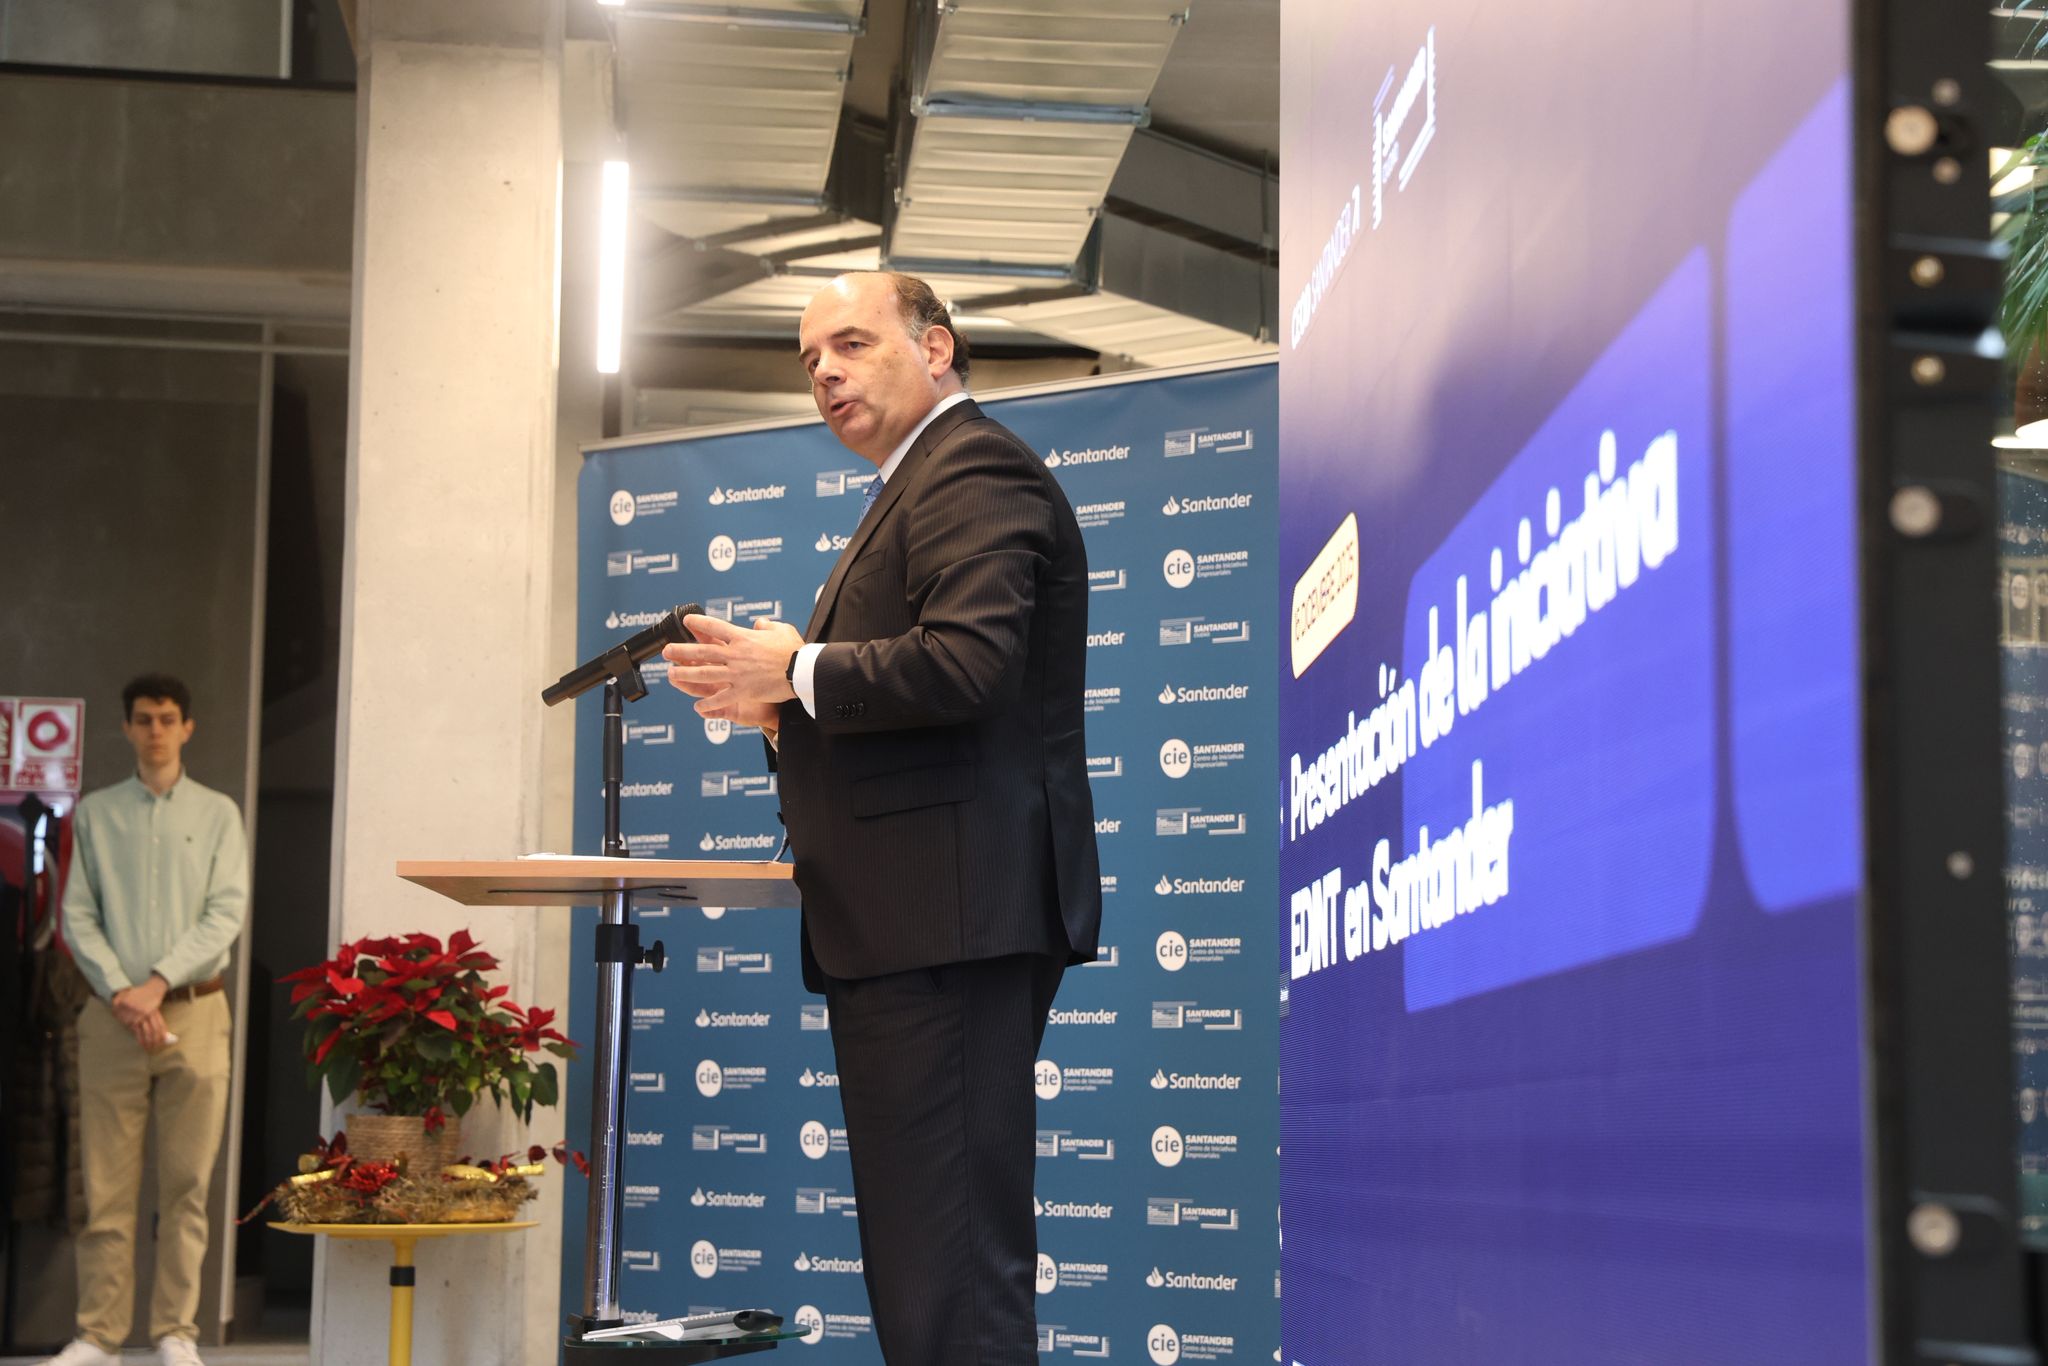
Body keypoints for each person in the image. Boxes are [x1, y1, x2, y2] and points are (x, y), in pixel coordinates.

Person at [663, 271, 1101, 1365]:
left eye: (851, 344)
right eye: (809, 358)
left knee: (952, 1283)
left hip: (947, 924)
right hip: (911, 928)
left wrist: (797, 668)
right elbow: (917, 705)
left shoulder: (971, 467)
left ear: (936, 348)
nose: (824, 371)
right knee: (925, 1276)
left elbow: (967, 663)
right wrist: (784, 712)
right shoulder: (915, 483)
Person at [42, 675, 248, 1366]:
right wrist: (125, 993)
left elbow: (226, 912)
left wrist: (156, 985)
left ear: (187, 727)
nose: (155, 730)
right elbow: (77, 914)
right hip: (112, 1019)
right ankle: (99, 1335)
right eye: (143, 719)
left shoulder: (218, 814)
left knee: (188, 1184)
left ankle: (175, 1332)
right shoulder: (96, 815)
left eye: (166, 718)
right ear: (127, 728)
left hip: (197, 1012)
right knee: (105, 1186)